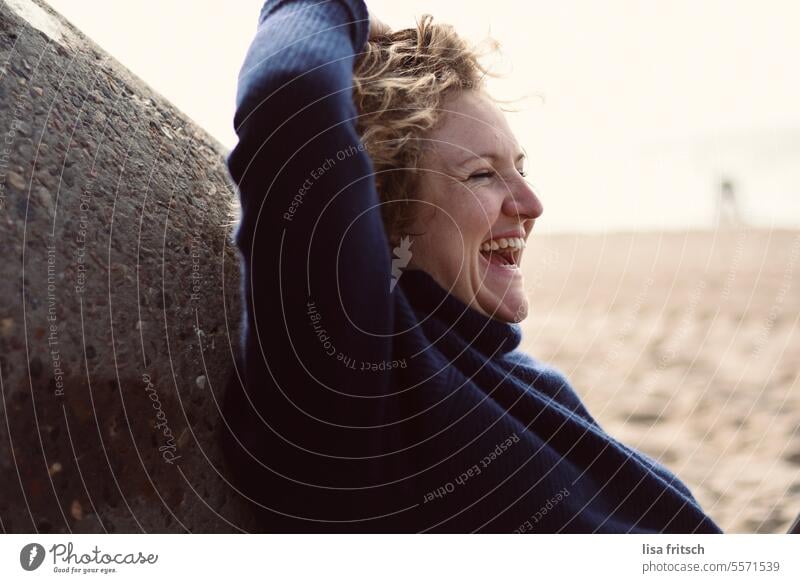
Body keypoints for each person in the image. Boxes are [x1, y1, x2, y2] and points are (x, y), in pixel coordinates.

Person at [222, 0, 723, 533]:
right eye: (483, 175)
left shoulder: (509, 373)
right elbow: (291, 101)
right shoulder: (366, 372)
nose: (531, 204)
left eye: (520, 167)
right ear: (384, 212)